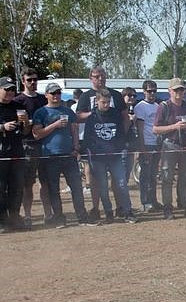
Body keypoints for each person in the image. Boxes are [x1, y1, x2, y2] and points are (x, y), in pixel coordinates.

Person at [32, 83, 94, 227]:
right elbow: (36, 134)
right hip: (50, 155)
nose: (56, 95)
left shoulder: (68, 111)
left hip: (69, 155)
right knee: (53, 190)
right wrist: (55, 125)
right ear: (46, 95)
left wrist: (76, 148)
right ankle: (59, 218)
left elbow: (74, 130)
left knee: (77, 187)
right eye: (53, 93)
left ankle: (82, 216)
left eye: (58, 92)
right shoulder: (41, 112)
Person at [75, 66, 126, 221]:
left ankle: (121, 207)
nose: (100, 79)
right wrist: (94, 114)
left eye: (102, 76)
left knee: (118, 179)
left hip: (114, 144)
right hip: (94, 144)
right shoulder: (85, 96)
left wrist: (120, 138)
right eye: (97, 76)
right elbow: (78, 117)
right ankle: (96, 208)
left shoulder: (116, 95)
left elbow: (125, 117)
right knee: (96, 179)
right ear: (91, 78)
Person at [83, 90, 137, 223]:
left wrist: (119, 148)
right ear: (97, 101)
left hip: (115, 156)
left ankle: (127, 211)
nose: (106, 105)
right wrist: (93, 152)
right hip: (98, 157)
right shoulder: (91, 118)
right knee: (102, 186)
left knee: (121, 183)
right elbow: (87, 138)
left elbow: (121, 134)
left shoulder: (115, 115)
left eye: (108, 102)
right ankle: (108, 212)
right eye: (103, 102)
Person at [152, 78, 186, 220]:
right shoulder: (164, 106)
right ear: (170, 91)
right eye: (176, 90)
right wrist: (174, 126)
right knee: (167, 179)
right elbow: (155, 129)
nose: (179, 92)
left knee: (185, 179)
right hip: (170, 145)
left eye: (181, 89)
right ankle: (168, 208)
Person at [13, 68, 51, 228]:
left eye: (35, 79)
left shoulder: (43, 99)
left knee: (46, 182)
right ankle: (28, 215)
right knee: (27, 184)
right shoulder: (17, 101)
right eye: (29, 80)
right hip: (27, 145)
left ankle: (48, 215)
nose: (33, 82)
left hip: (45, 144)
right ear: (23, 81)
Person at [0, 76, 29, 232]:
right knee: (0, 188)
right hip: (1, 154)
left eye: (12, 89)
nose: (10, 92)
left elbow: (25, 131)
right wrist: (3, 127)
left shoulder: (18, 106)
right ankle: (2, 220)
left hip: (17, 152)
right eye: (7, 89)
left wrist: (25, 123)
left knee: (17, 187)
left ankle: (15, 216)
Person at [134, 80, 163, 212]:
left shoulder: (158, 106)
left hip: (157, 143)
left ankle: (153, 200)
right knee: (145, 175)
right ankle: (145, 202)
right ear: (144, 91)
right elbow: (140, 129)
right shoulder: (140, 107)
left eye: (154, 91)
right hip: (146, 143)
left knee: (153, 174)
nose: (152, 94)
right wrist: (142, 148)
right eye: (149, 91)